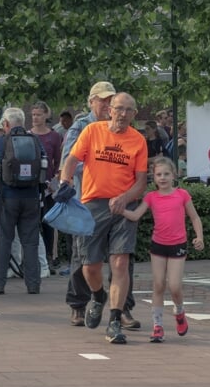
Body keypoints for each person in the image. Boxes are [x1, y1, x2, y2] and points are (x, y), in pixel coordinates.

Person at [58, 92, 148, 344]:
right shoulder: (92, 131)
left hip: (124, 205)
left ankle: (115, 320)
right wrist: (65, 182)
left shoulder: (138, 140)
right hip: (92, 204)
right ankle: (98, 296)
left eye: (128, 110)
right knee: (90, 265)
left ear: (134, 114)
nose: (122, 114)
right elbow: (71, 160)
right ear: (110, 110)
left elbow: (141, 182)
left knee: (120, 262)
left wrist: (125, 197)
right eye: (119, 109)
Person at [61, 81, 124, 328]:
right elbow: (68, 160)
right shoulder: (81, 127)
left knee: (120, 257)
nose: (108, 105)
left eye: (112, 100)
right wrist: (95, 166)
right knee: (83, 255)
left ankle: (122, 309)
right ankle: (78, 304)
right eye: (103, 100)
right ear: (91, 102)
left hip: (116, 200)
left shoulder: (120, 127)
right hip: (85, 200)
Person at [120, 157, 204, 342]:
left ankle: (179, 311)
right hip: (158, 245)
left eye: (166, 174)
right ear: (154, 177)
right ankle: (157, 326)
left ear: (174, 175)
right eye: (159, 174)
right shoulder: (151, 197)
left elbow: (195, 218)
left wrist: (199, 237)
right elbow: (135, 215)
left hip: (178, 245)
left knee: (174, 286)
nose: (163, 178)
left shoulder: (182, 195)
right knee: (158, 285)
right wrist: (120, 209)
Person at [0, 107, 45, 295]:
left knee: (3, 239)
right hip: (31, 197)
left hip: (7, 196)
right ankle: (33, 284)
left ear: (6, 124)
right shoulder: (35, 140)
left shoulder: (2, 141)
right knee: (30, 242)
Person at [30, 101, 63, 269]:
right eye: (34, 114)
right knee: (31, 220)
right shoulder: (28, 135)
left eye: (39, 114)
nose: (35, 118)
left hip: (49, 184)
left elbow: (59, 161)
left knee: (48, 221)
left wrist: (55, 182)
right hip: (31, 183)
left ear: (46, 115)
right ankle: (33, 255)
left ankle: (50, 255)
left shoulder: (54, 136)